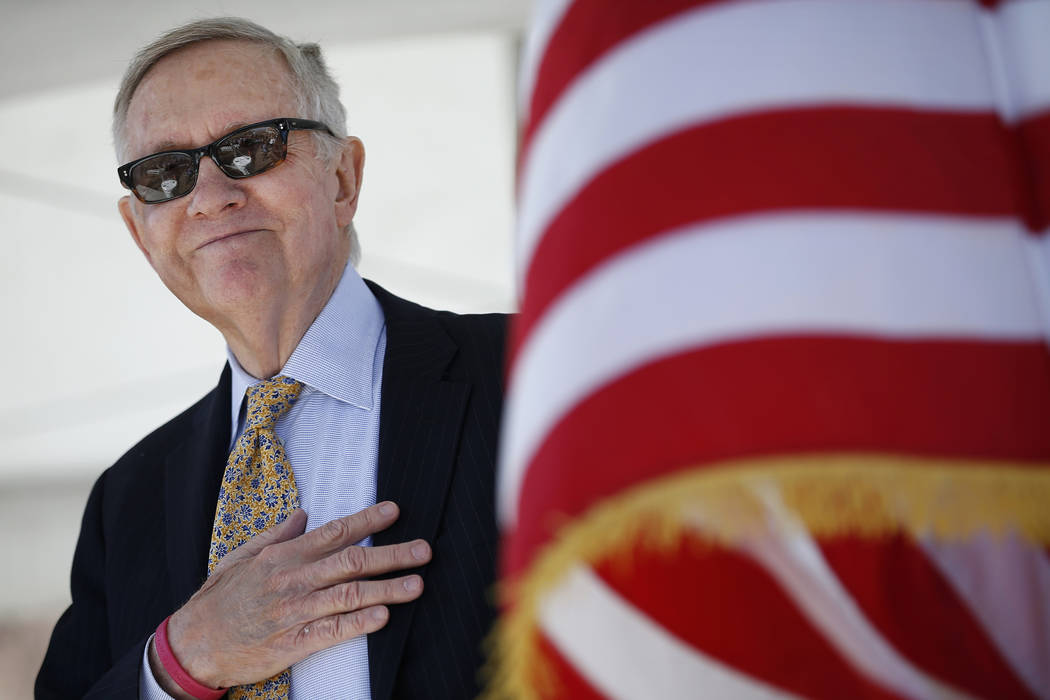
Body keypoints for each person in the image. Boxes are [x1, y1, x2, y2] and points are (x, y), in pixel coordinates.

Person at [35, 17, 506, 700]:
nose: (210, 197)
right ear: (141, 232)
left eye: (252, 148)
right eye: (164, 174)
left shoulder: (526, 374)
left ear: (342, 178)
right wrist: (181, 660)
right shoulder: (126, 499)